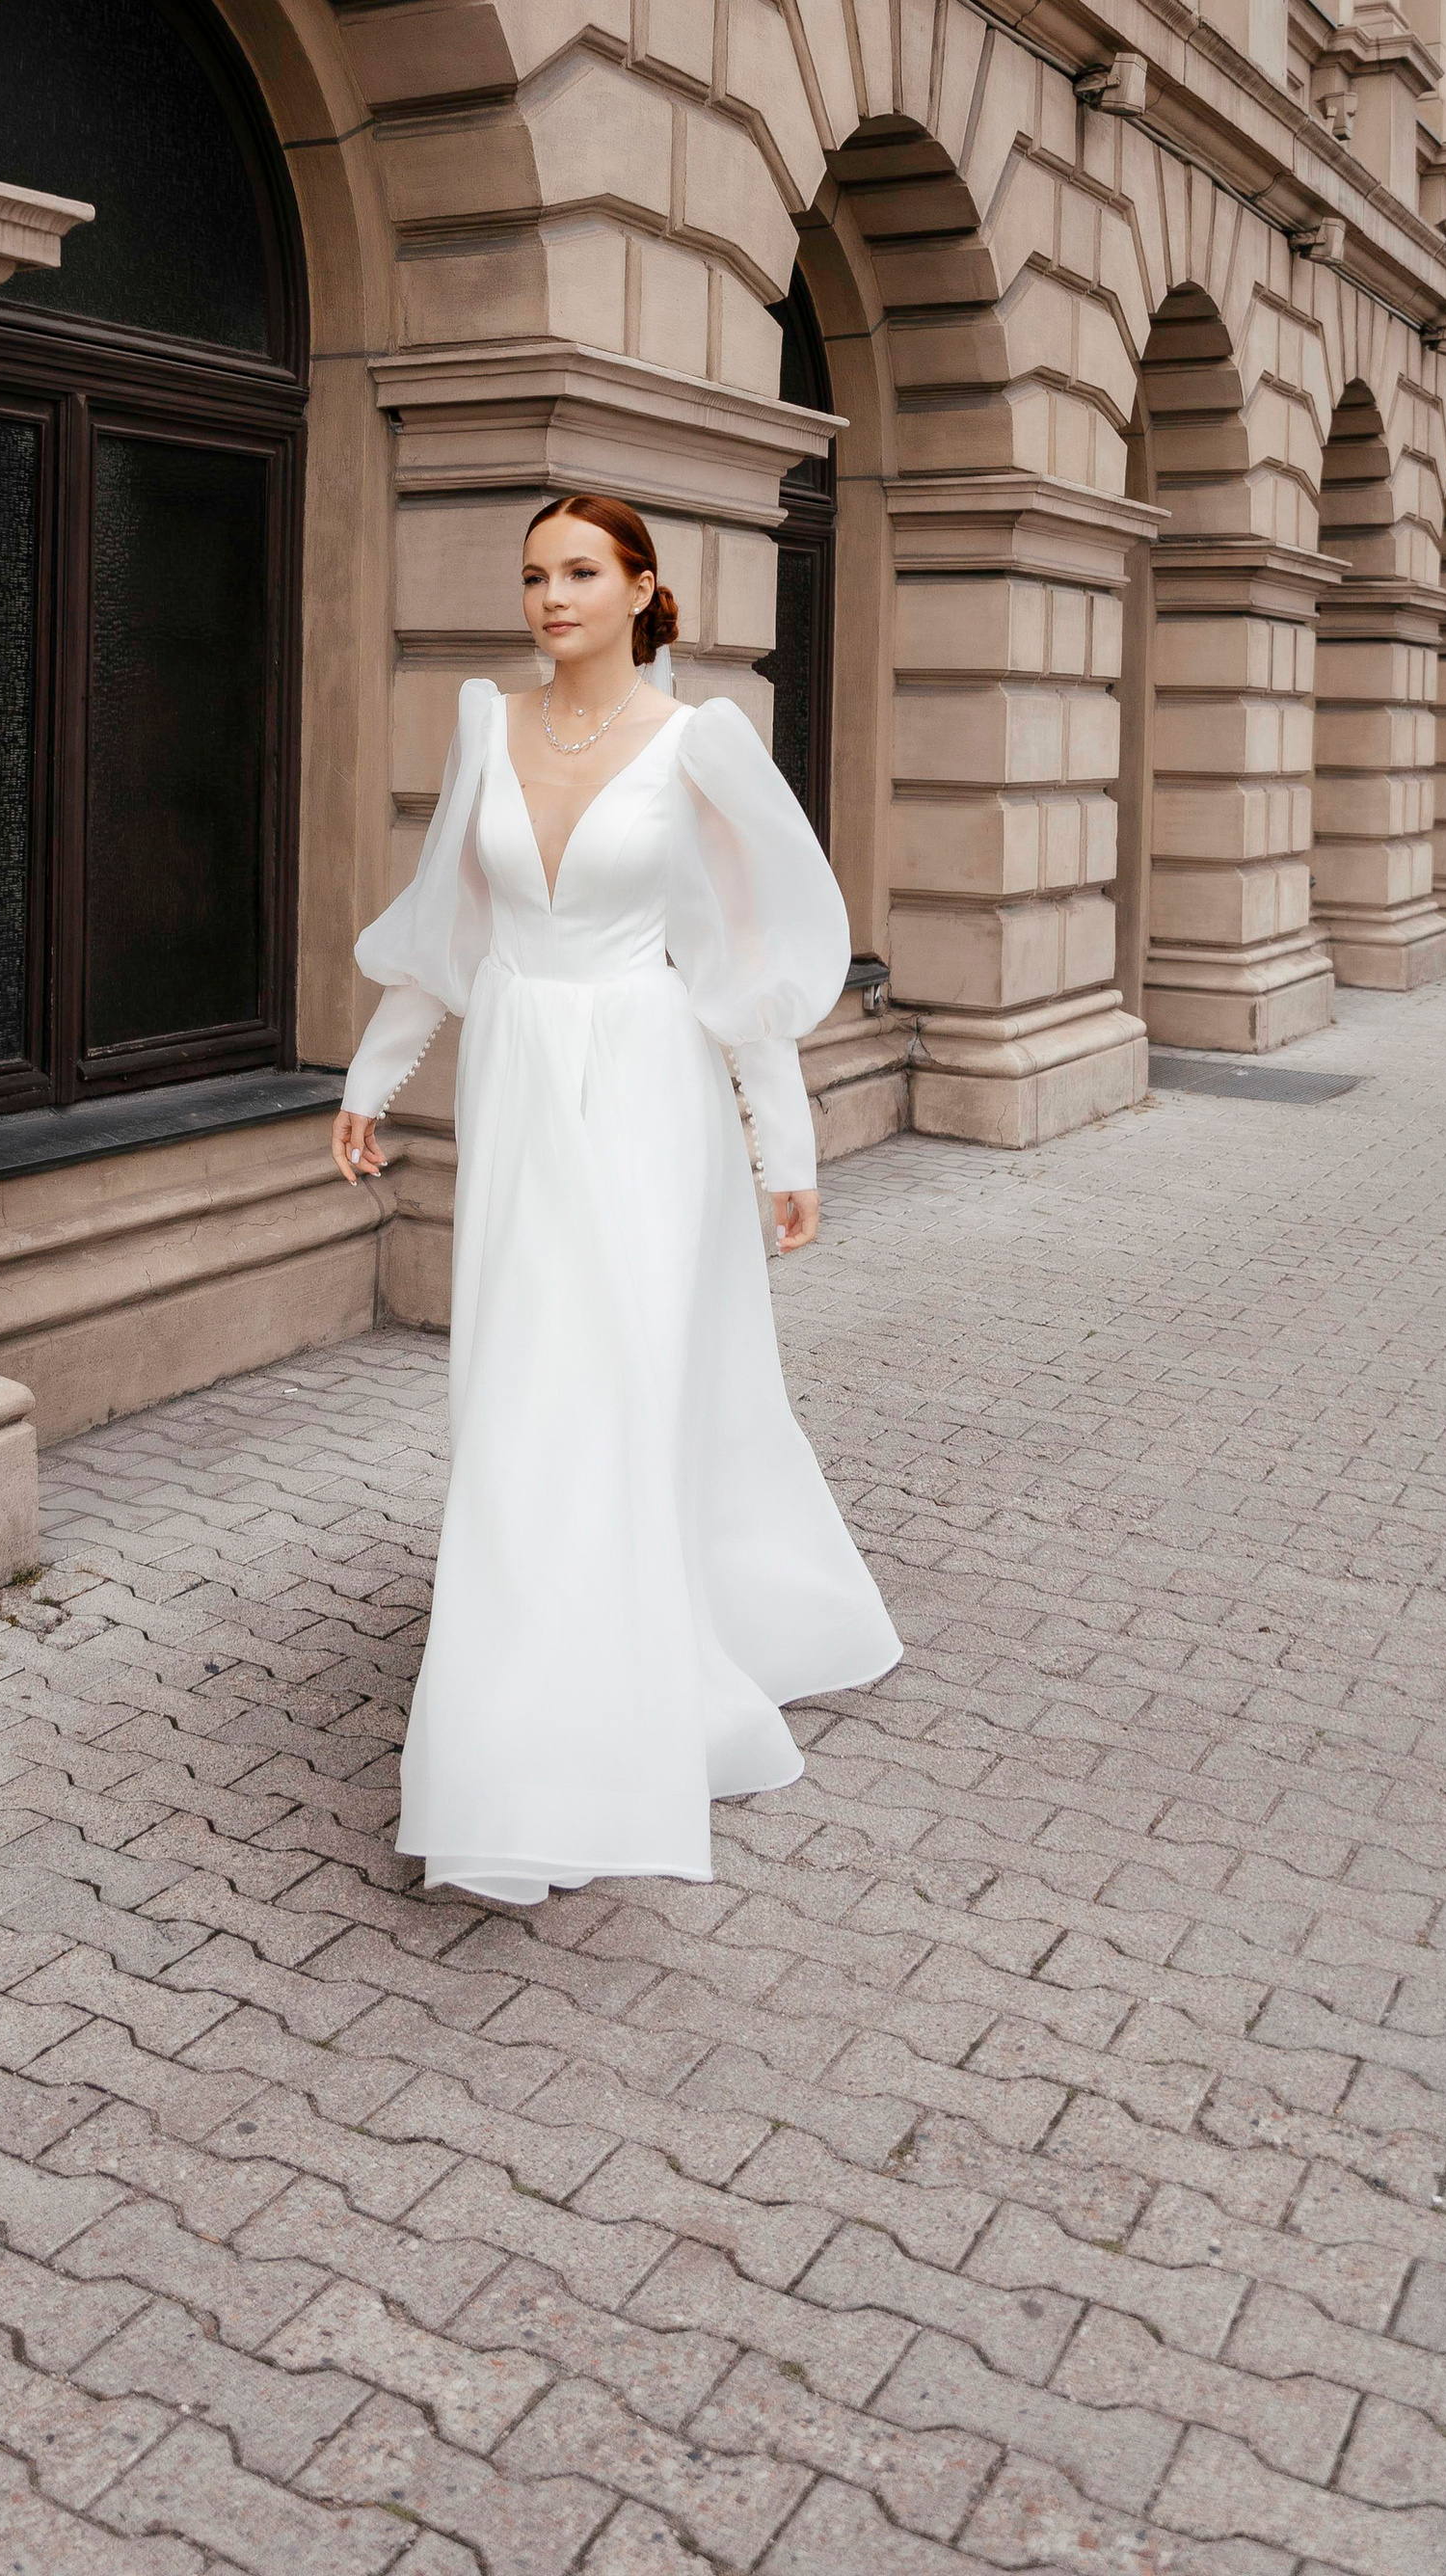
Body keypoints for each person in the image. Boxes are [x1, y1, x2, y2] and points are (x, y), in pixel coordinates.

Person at [330, 492, 901, 1906]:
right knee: (522, 1392)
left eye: (581, 571)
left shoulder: (701, 743)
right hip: (522, 1081)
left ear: (646, 589)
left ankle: (582, 1723)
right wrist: (372, 1076)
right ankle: (531, 1696)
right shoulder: (485, 727)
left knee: (632, 1386)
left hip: (649, 1092)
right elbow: (448, 923)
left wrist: (789, 1149)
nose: (550, 596)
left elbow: (743, 962)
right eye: (533, 574)